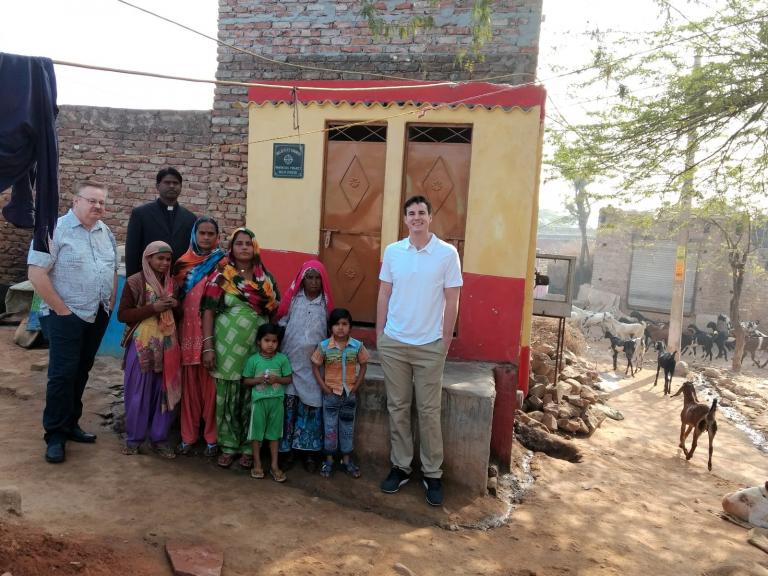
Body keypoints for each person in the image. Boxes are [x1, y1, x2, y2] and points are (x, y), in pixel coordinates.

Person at [376, 195, 462, 507]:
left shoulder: (446, 254)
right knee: (397, 407)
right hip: (395, 344)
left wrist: (445, 341)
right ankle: (400, 467)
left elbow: (452, 299)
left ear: (430, 217)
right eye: (411, 213)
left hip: (429, 346)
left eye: (421, 213)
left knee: (428, 412)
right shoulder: (393, 251)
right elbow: (384, 292)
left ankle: (431, 473)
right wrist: (380, 334)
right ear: (405, 219)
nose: (416, 218)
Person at [27, 180, 118, 464]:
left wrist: (111, 302)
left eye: (102, 202)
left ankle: (71, 424)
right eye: (91, 200)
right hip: (65, 315)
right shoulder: (53, 230)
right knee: (62, 375)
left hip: (97, 313)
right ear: (76, 200)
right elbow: (36, 273)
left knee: (81, 371)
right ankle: (54, 434)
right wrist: (62, 311)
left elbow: (112, 268)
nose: (98, 206)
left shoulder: (107, 233)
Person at [201, 227, 280, 469]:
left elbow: (273, 312)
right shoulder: (221, 277)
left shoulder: (265, 280)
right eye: (239, 243)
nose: (244, 247)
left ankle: (249, 447)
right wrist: (208, 347)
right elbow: (208, 310)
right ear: (232, 248)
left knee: (252, 396)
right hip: (227, 346)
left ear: (254, 247)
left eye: (248, 243)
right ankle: (228, 446)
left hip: (256, 349)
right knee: (228, 396)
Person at [117, 241, 181, 458]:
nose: (164, 263)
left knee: (163, 391)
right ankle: (134, 438)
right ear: (148, 258)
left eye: (167, 259)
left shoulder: (172, 284)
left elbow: (179, 316)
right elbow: (123, 314)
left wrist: (175, 305)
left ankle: (159, 438)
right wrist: (152, 308)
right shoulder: (135, 281)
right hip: (142, 344)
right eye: (159, 258)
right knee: (138, 393)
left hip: (168, 345)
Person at [172, 216, 225, 457]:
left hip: (212, 336)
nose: (205, 238)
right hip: (186, 334)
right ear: (194, 234)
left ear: (217, 237)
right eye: (201, 233)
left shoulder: (223, 263)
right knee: (189, 389)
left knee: (211, 390)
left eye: (210, 234)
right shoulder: (182, 264)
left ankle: (212, 438)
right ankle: (188, 436)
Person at [275, 260, 333, 472]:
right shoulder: (293, 301)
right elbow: (282, 323)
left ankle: (309, 453)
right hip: (291, 361)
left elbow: (329, 332)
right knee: (289, 407)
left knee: (310, 407)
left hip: (313, 368)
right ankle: (286, 451)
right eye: (309, 277)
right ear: (302, 280)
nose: (314, 282)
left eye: (318, 278)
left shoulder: (325, 305)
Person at [311, 308, 369, 479]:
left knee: (347, 429)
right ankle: (328, 460)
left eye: (344, 324)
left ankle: (346, 460)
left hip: (349, 394)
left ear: (350, 327)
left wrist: (357, 385)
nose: (340, 328)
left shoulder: (357, 346)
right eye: (336, 324)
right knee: (329, 428)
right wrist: (324, 387)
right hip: (330, 394)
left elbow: (364, 364)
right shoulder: (324, 346)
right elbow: (315, 366)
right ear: (331, 328)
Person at [242, 323, 292, 483]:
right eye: (266, 340)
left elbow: (288, 378)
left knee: (274, 435)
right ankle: (257, 464)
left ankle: (274, 465)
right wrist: (260, 379)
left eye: (274, 341)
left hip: (277, 402)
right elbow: (246, 380)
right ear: (259, 342)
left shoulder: (282, 359)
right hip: (259, 402)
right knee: (256, 435)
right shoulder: (253, 360)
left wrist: (277, 379)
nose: (270, 344)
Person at [125, 167, 197, 276]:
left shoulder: (190, 218)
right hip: (147, 278)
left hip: (177, 281)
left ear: (181, 187)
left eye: (175, 183)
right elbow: (132, 251)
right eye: (167, 182)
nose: (172, 186)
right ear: (157, 186)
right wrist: (132, 281)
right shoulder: (141, 214)